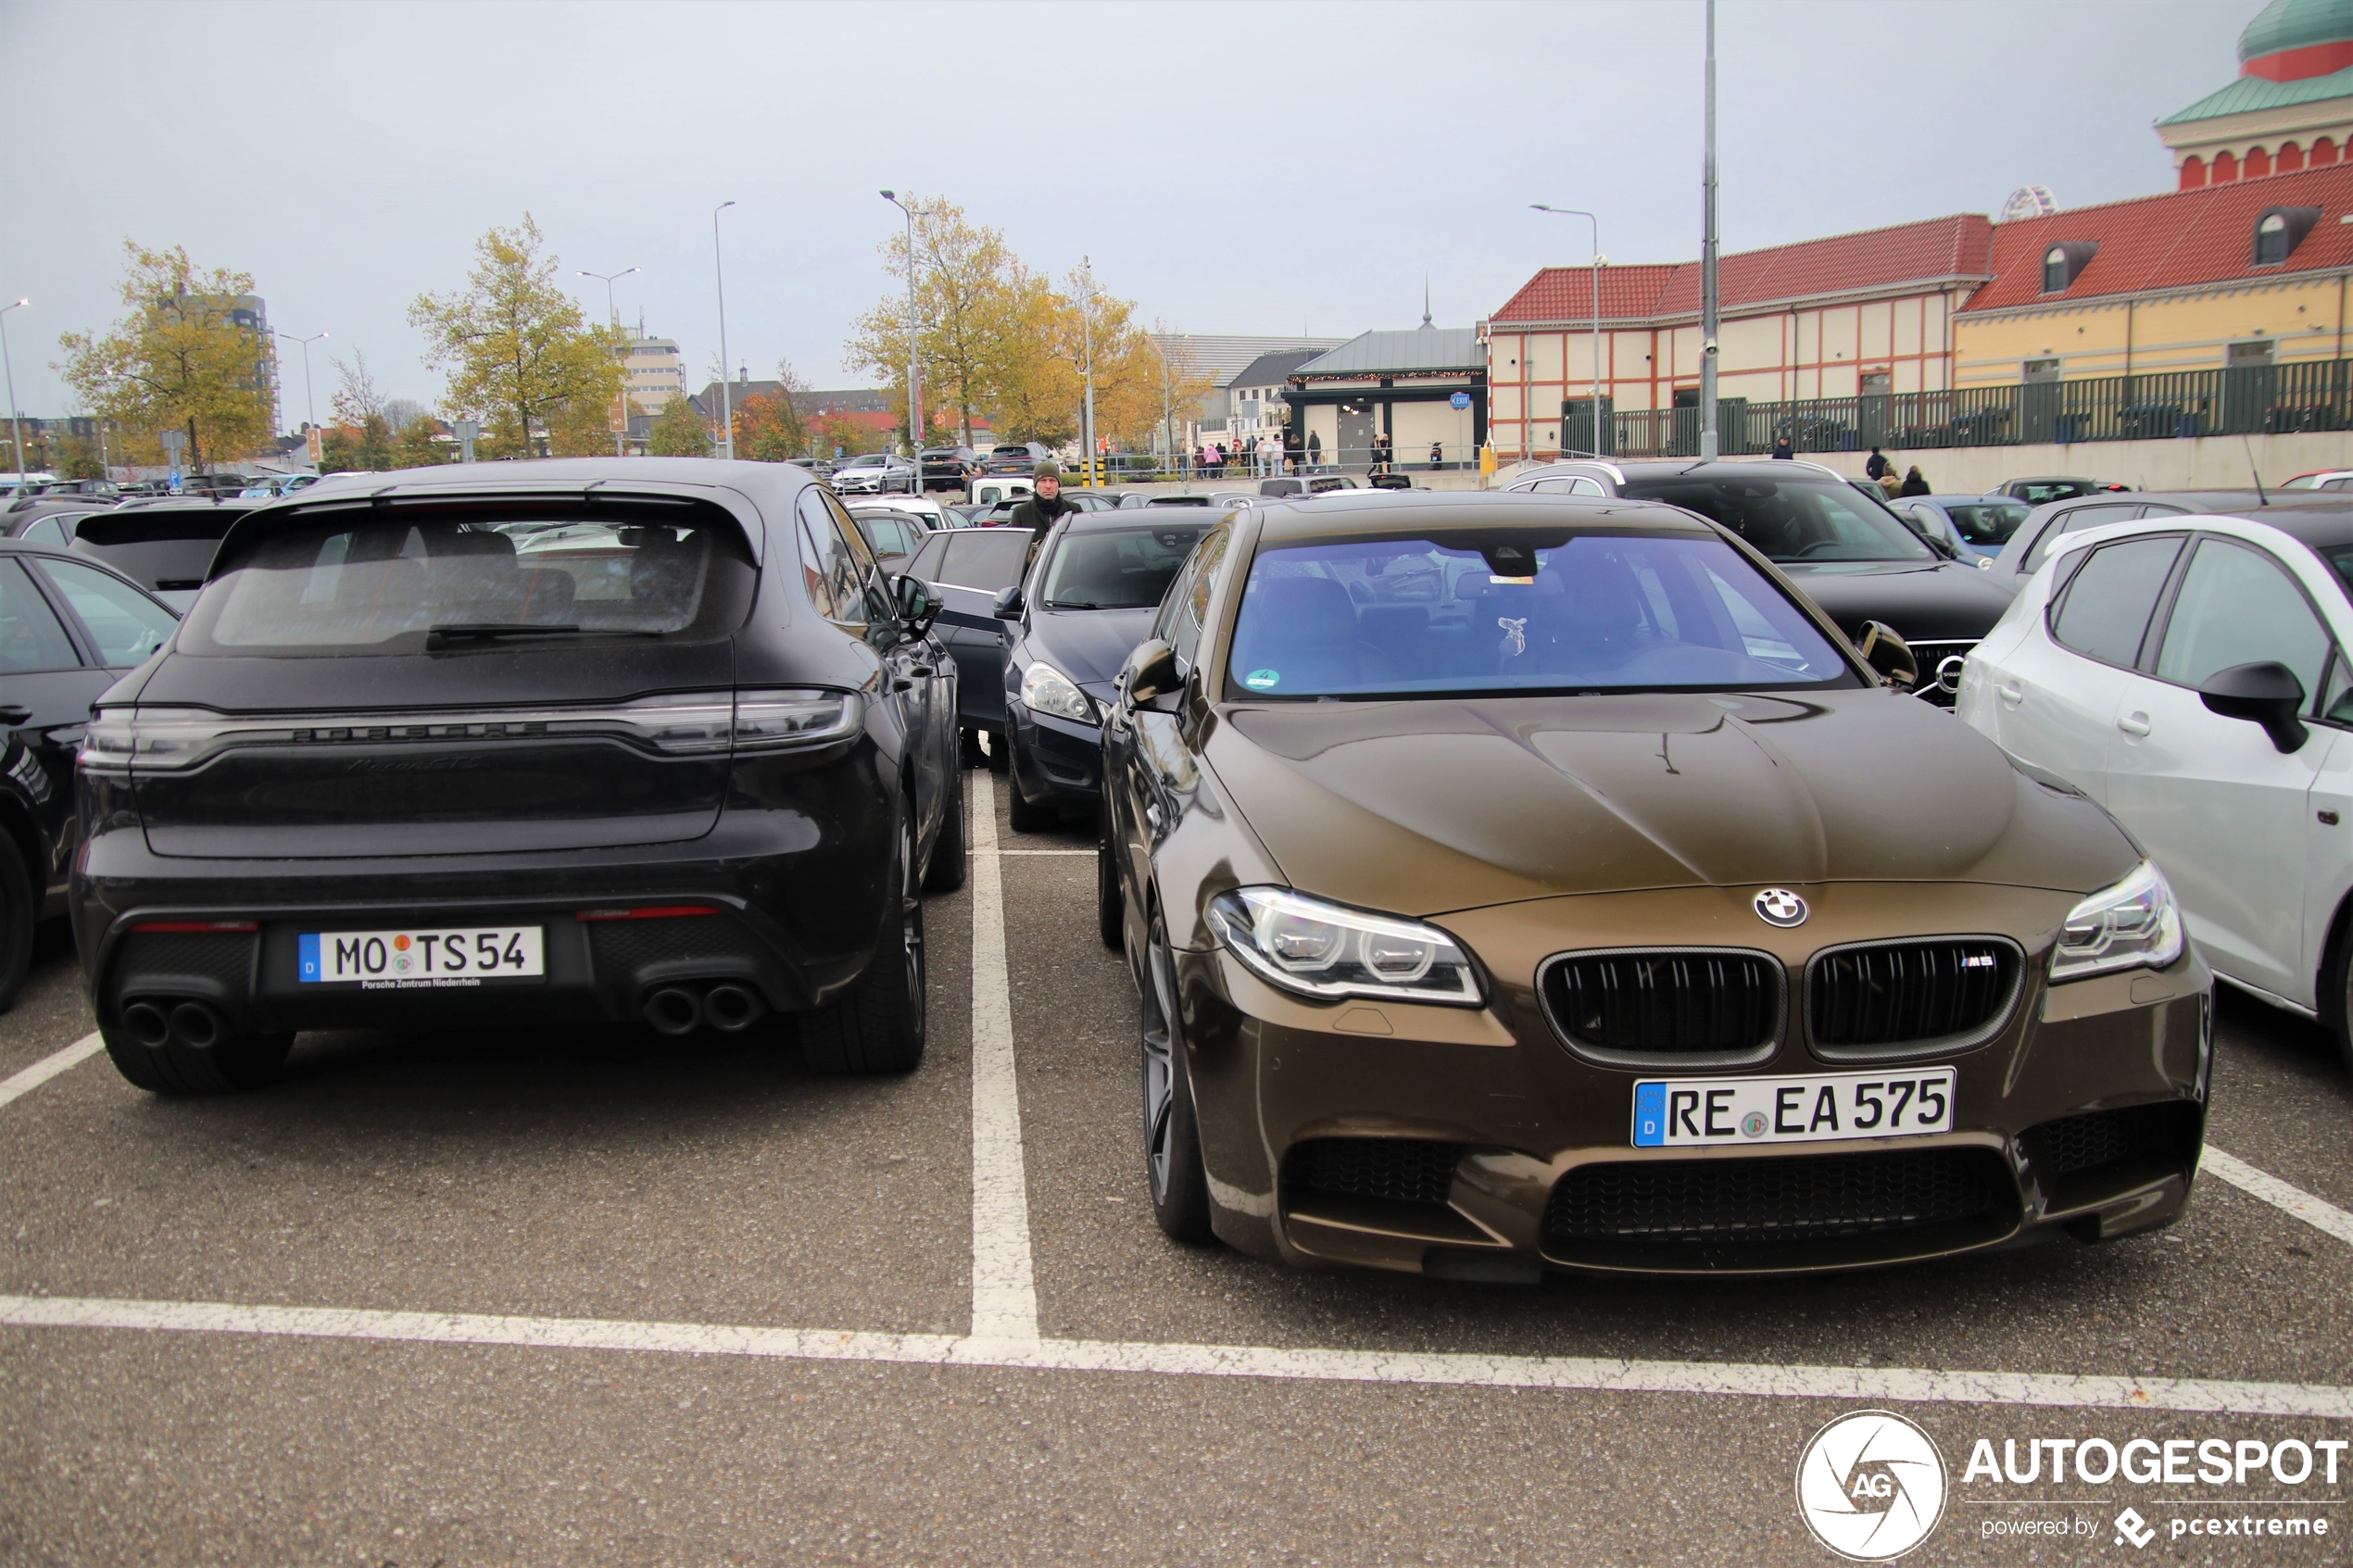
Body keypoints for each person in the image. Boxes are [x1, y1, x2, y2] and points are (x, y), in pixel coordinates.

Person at [1008, 460, 1078, 533]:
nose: (1048, 486)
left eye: (1052, 480)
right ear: (1035, 484)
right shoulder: (1021, 513)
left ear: (1058, 484)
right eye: (1043, 480)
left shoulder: (1074, 510)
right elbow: (1015, 544)